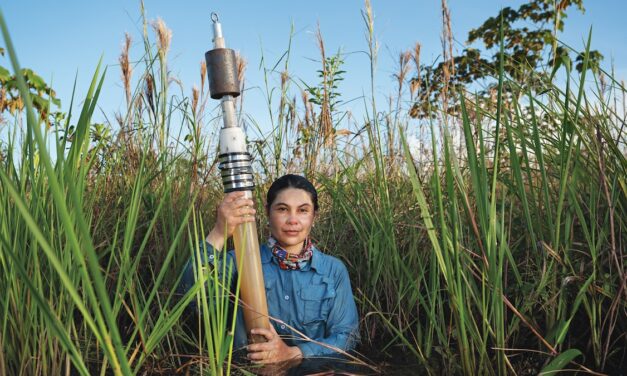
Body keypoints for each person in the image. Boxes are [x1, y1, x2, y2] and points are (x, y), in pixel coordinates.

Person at [180, 174, 359, 364]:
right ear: (267, 212)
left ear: (314, 216)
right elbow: (195, 299)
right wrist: (219, 231)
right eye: (282, 209)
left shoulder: (333, 270)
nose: (293, 220)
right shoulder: (239, 260)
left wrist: (292, 353)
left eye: (303, 210)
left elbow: (347, 337)